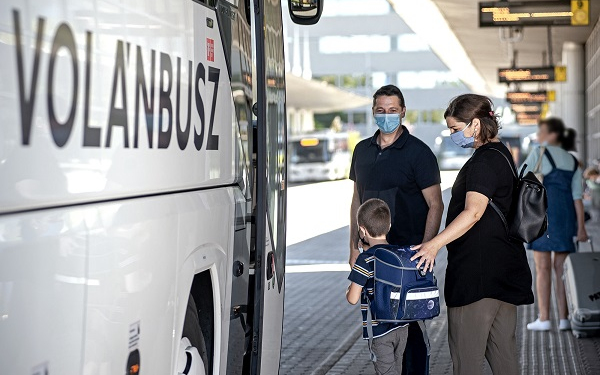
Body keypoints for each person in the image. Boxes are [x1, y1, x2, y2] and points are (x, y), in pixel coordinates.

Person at [410, 94, 534, 375]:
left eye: (455, 129)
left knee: (467, 362)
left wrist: (433, 245)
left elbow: (473, 212)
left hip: (477, 278)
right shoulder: (502, 154)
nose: (454, 135)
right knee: (505, 360)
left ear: (475, 125)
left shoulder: (482, 162)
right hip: (503, 273)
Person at [349, 84, 443, 267]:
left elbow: (436, 204)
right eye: (381, 110)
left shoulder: (420, 153)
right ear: (373, 112)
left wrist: (428, 248)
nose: (386, 115)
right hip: (370, 252)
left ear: (403, 112)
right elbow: (356, 200)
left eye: (392, 110)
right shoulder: (361, 150)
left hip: (409, 254)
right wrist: (353, 247)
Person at [522, 118, 589, 332]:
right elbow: (577, 198)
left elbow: (521, 176)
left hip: (543, 219)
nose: (539, 136)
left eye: (542, 131)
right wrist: (581, 228)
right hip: (566, 219)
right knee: (563, 270)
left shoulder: (539, 152)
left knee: (542, 269)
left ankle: (544, 318)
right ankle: (564, 319)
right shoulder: (572, 161)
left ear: (552, 135)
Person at [346, 198, 409, 375]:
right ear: (389, 226)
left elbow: (352, 298)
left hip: (380, 331)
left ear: (362, 230)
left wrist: (348, 291)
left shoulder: (365, 259)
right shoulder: (398, 253)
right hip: (402, 327)